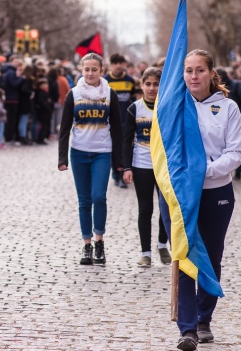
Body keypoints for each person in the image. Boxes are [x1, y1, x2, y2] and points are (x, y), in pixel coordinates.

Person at [158, 49, 241, 351]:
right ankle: (188, 328)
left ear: (211, 74)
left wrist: (204, 172)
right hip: (182, 195)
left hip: (216, 191)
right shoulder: (174, 107)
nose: (194, 76)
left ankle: (205, 316)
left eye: (200, 70)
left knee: (211, 255)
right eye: (188, 71)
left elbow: (235, 152)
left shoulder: (228, 108)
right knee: (183, 254)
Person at [58, 52, 123, 266]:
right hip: (78, 153)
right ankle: (87, 245)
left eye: (95, 69)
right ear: (81, 70)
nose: (91, 73)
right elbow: (65, 128)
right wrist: (62, 158)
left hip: (102, 153)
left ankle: (99, 242)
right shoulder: (74, 94)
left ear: (101, 71)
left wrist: (119, 161)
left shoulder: (109, 94)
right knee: (84, 200)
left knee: (99, 197)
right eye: (87, 69)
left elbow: (117, 129)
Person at [122, 67, 170, 267]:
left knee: (165, 207)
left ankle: (161, 245)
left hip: (164, 166)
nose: (152, 88)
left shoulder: (167, 107)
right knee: (145, 209)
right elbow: (126, 140)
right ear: (141, 85)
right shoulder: (134, 108)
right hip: (141, 165)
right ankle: (145, 253)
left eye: (156, 84)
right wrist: (126, 167)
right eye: (148, 84)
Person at [105, 53, 135, 188]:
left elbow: (134, 100)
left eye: (120, 63)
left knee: (125, 148)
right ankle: (115, 173)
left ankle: (123, 175)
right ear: (111, 65)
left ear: (124, 64)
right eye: (115, 63)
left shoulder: (130, 80)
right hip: (111, 122)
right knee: (113, 148)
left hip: (127, 121)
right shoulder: (106, 81)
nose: (118, 66)